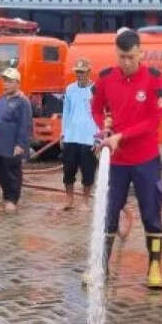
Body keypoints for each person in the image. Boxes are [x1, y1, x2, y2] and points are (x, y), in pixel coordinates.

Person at [91, 28, 162, 290]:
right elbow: (96, 108)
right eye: (122, 56)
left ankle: (154, 266)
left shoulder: (154, 79)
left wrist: (121, 136)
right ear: (116, 53)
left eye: (131, 57)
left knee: (151, 212)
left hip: (145, 159)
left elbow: (154, 121)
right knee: (109, 212)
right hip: (117, 161)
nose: (126, 62)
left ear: (140, 53)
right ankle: (101, 266)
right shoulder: (105, 78)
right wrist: (104, 128)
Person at [0, 67, 32, 212]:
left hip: (11, 145)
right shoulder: (1, 99)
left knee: (12, 171)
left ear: (17, 83)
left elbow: (25, 125)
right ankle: (7, 194)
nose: (5, 84)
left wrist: (20, 144)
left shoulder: (23, 102)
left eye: (9, 81)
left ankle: (12, 199)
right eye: (4, 81)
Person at [61, 58, 98, 210]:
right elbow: (66, 112)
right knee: (68, 170)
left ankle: (85, 201)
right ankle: (69, 199)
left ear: (88, 72)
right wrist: (63, 133)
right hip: (71, 137)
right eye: (77, 72)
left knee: (88, 172)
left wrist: (98, 138)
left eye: (82, 72)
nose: (79, 75)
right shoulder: (70, 89)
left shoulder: (96, 90)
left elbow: (101, 114)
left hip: (89, 138)